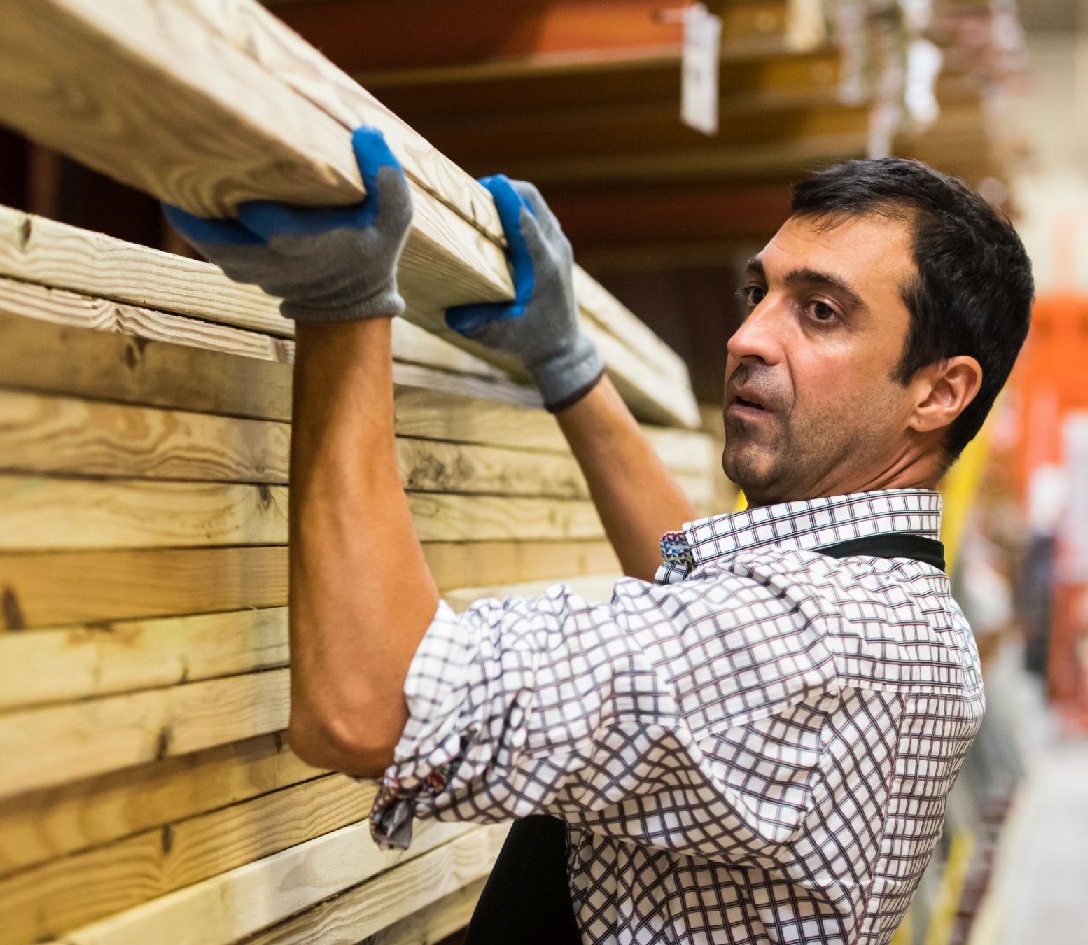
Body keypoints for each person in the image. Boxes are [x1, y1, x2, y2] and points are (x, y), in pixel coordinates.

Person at [164, 127, 1034, 945]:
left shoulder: (814, 642)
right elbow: (706, 594)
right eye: (758, 291)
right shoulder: (892, 605)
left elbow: (367, 705)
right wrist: (572, 369)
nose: (745, 336)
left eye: (820, 313)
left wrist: (342, 303)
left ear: (939, 391)